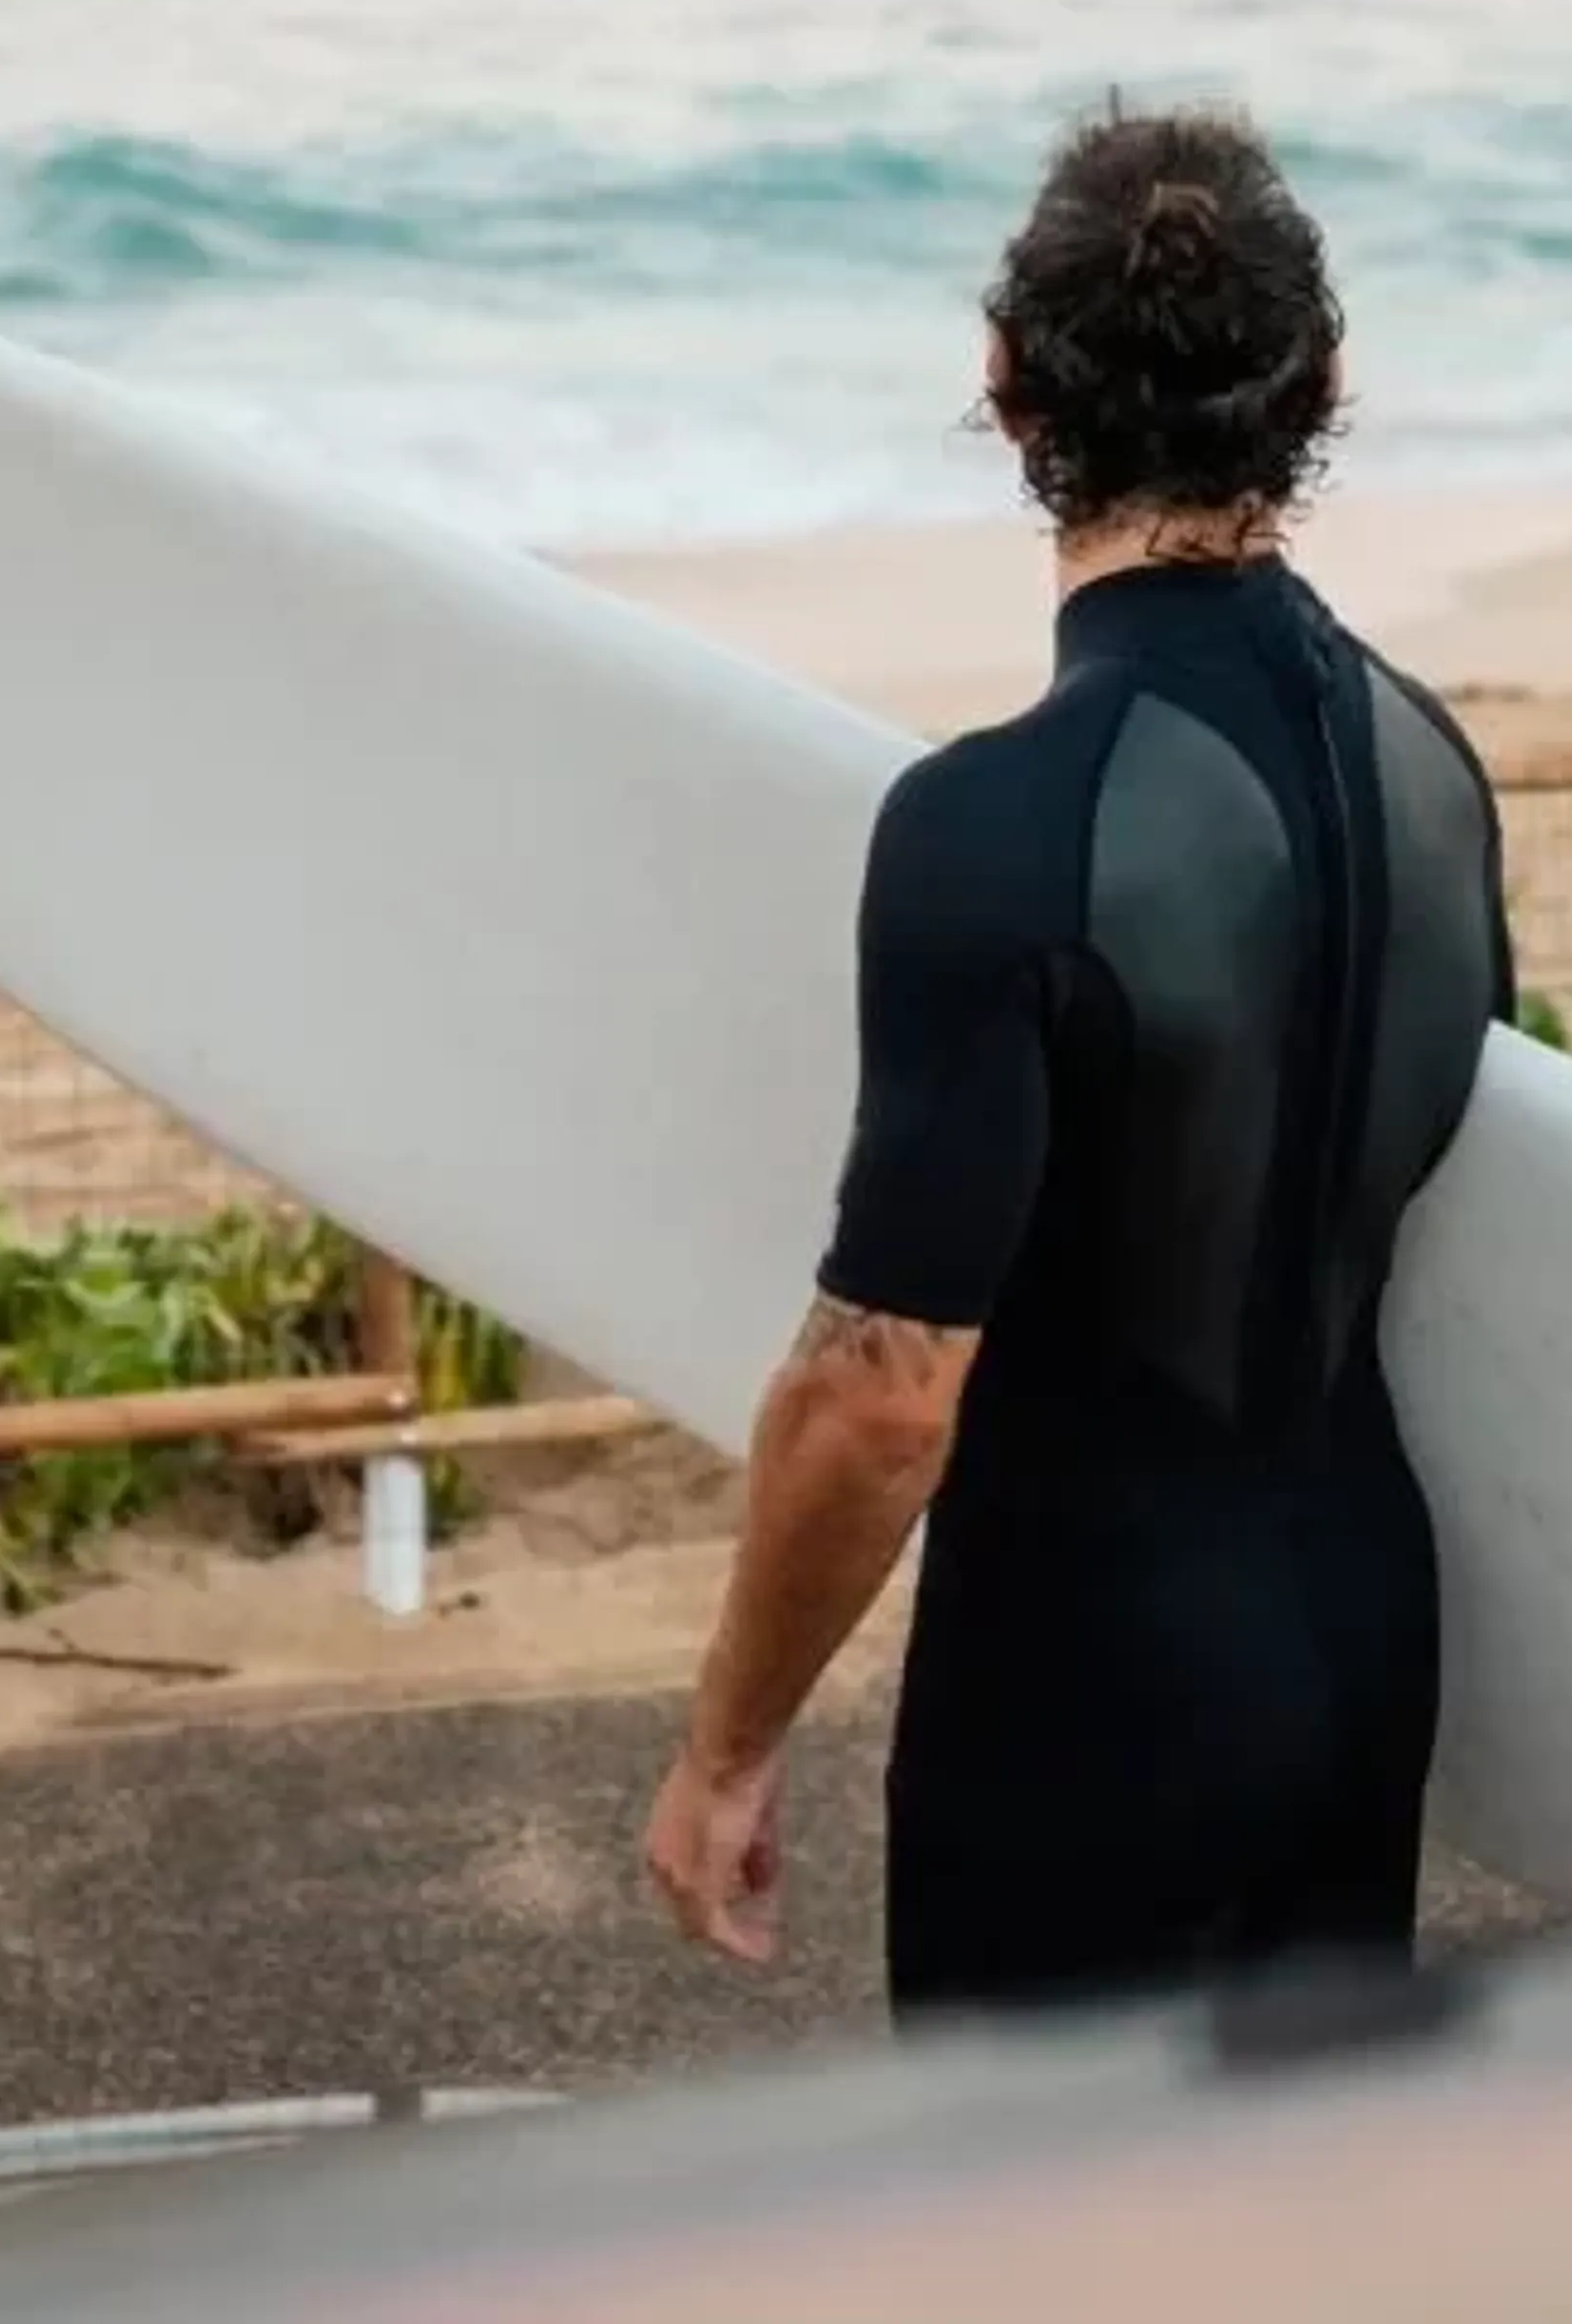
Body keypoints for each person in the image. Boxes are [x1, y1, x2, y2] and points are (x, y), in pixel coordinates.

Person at [643, 99, 1516, 2019]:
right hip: (1366, 1631)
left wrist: (724, 1750)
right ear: (1327, 380)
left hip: (1088, 1694)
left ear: (1009, 385)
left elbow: (880, 1403)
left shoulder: (998, 833)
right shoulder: (1434, 771)